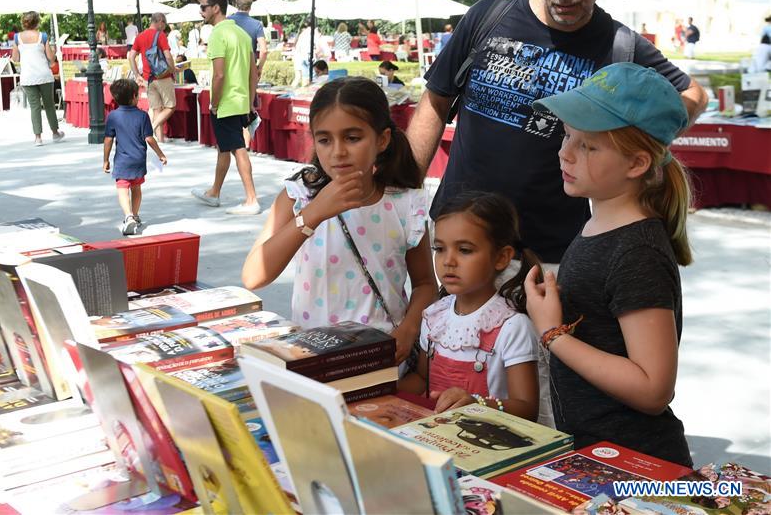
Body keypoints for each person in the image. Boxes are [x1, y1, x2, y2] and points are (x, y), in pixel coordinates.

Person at [406, 0, 707, 266]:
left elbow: (693, 95)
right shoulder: (488, 16)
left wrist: (636, 136)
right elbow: (435, 103)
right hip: (461, 244)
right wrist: (402, 195)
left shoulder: (620, 46)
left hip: (550, 255)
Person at [525, 62, 693, 466]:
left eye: (588, 146)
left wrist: (553, 333)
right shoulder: (600, 223)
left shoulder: (637, 251)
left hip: (638, 466)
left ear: (636, 164)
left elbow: (653, 389)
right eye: (567, 136)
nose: (564, 152)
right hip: (598, 455)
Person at [241, 77, 438, 365]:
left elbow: (424, 284)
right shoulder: (299, 196)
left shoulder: (405, 204)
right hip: (313, 357)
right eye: (324, 139)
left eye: (352, 138)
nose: (338, 152)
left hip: (381, 361)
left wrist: (408, 331)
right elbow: (254, 276)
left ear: (381, 140)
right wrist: (314, 213)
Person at [398, 192, 541, 421]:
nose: (448, 261)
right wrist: (374, 391)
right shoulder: (434, 317)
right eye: (440, 249)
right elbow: (422, 379)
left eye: (464, 250)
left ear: (502, 257)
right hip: (437, 439)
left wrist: (476, 404)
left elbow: (527, 409)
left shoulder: (512, 326)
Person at [190, 0, 260, 216]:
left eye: (203, 7)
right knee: (225, 147)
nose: (201, 11)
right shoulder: (240, 34)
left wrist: (214, 103)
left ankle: (251, 199)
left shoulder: (218, 34)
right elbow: (252, 73)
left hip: (226, 102)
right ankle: (214, 192)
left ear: (215, 8)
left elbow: (219, 75)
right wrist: (249, 102)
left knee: (238, 148)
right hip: (240, 100)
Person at [103, 78, 167, 235]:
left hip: (122, 160)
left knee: (122, 188)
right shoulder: (142, 116)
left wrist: (105, 159)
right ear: (133, 96)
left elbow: (108, 140)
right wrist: (160, 154)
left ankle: (128, 215)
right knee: (136, 188)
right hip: (139, 160)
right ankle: (136, 215)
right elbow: (149, 138)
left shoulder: (113, 116)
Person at [11, 11, 64, 146]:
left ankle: (38, 137)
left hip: (28, 77)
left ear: (24, 22)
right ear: (37, 22)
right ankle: (55, 133)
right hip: (44, 75)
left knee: (34, 107)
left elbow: (15, 58)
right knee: (49, 105)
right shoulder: (43, 36)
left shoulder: (17, 38)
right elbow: (51, 59)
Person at [127, 12, 177, 144]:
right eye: (164, 23)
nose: (164, 26)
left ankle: (160, 141)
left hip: (148, 79)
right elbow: (167, 55)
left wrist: (137, 74)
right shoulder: (160, 35)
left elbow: (131, 56)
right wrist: (173, 69)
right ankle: (152, 127)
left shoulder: (140, 36)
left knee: (156, 109)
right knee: (170, 107)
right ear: (159, 21)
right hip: (163, 77)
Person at [228, 0, 268, 79]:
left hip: (230, 65)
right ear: (250, 7)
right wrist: (259, 68)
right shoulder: (257, 24)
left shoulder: (227, 21)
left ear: (236, 5)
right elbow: (264, 50)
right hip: (249, 66)